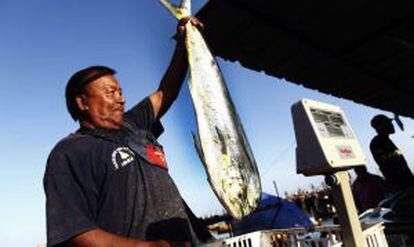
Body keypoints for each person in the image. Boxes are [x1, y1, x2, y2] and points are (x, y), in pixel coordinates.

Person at [43, 17, 210, 247]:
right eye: (111, 92)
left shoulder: (133, 124)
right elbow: (74, 233)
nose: (121, 99)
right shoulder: (69, 153)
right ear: (82, 102)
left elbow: (165, 92)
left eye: (120, 92)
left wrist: (183, 42)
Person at [369, 114, 414, 192]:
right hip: (401, 186)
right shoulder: (377, 143)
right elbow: (385, 165)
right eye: (388, 123)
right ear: (382, 126)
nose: (392, 125)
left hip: (407, 183)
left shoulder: (386, 141)